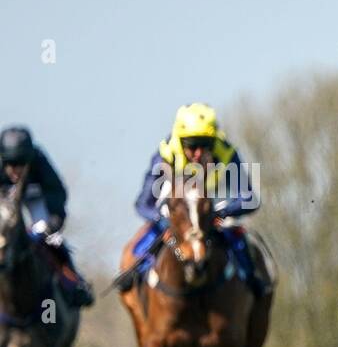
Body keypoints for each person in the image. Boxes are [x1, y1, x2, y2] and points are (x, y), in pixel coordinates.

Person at [117, 102, 264, 294]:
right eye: (192, 145)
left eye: (206, 145)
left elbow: (250, 198)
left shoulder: (227, 153)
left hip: (214, 214)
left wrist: (223, 211)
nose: (198, 153)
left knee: (241, 245)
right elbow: (143, 204)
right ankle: (134, 276)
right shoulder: (165, 155)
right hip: (173, 217)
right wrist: (165, 221)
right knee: (140, 249)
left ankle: (253, 284)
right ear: (180, 141)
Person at [0, 126, 95, 307]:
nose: (15, 171)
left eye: (20, 164)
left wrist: (53, 222)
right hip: (6, 205)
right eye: (11, 164)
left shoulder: (40, 161)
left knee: (53, 240)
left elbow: (57, 193)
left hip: (36, 201)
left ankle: (75, 283)